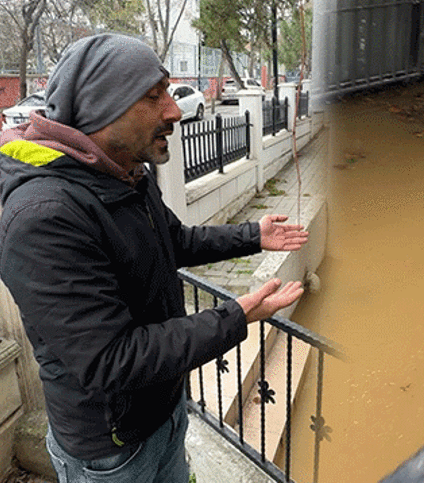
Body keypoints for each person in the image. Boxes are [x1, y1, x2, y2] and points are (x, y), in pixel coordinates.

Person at [0, 33, 309, 482]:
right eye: (153, 96)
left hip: (163, 412)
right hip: (112, 452)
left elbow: (173, 240)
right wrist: (236, 316)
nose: (174, 110)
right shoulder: (43, 217)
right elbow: (111, 358)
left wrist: (252, 235)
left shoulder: (125, 173)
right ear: (102, 108)